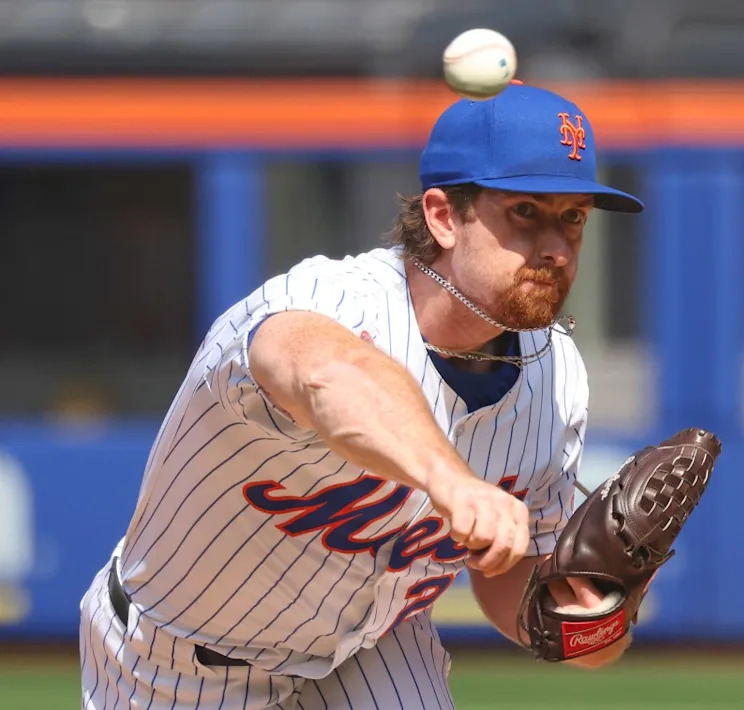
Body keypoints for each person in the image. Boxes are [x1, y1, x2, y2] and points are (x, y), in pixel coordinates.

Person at [80, 82, 644, 709]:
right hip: (177, 659)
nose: (556, 248)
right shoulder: (333, 301)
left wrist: (598, 614)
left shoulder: (556, 376)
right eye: (526, 213)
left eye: (573, 219)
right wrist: (452, 481)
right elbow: (330, 375)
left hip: (368, 653)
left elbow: (509, 578)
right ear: (442, 216)